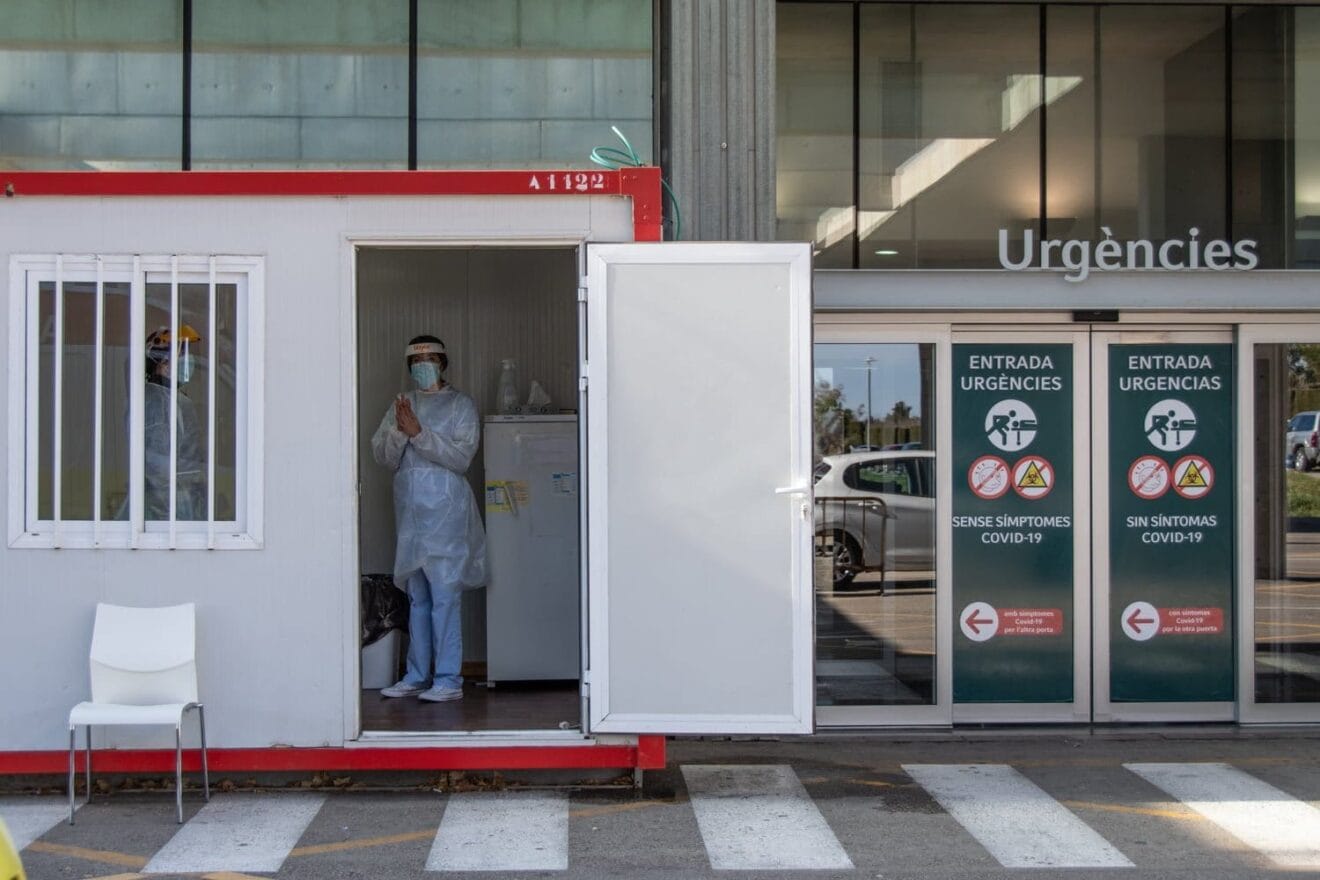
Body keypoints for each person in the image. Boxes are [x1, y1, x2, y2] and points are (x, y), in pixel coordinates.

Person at [372, 335, 487, 702]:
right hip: (411, 517)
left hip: (447, 516)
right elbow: (384, 458)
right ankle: (416, 675)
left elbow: (460, 458)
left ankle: (449, 678)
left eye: (429, 358)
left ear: (442, 362)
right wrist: (399, 432)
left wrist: (419, 434)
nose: (423, 364)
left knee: (445, 598)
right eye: (416, 359)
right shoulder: (401, 405)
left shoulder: (461, 405)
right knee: (417, 598)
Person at [143, 324, 205, 521]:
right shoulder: (156, 402)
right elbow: (158, 464)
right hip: (166, 506)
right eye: (181, 357)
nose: (186, 363)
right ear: (163, 364)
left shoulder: (169, 399)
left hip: (177, 498)